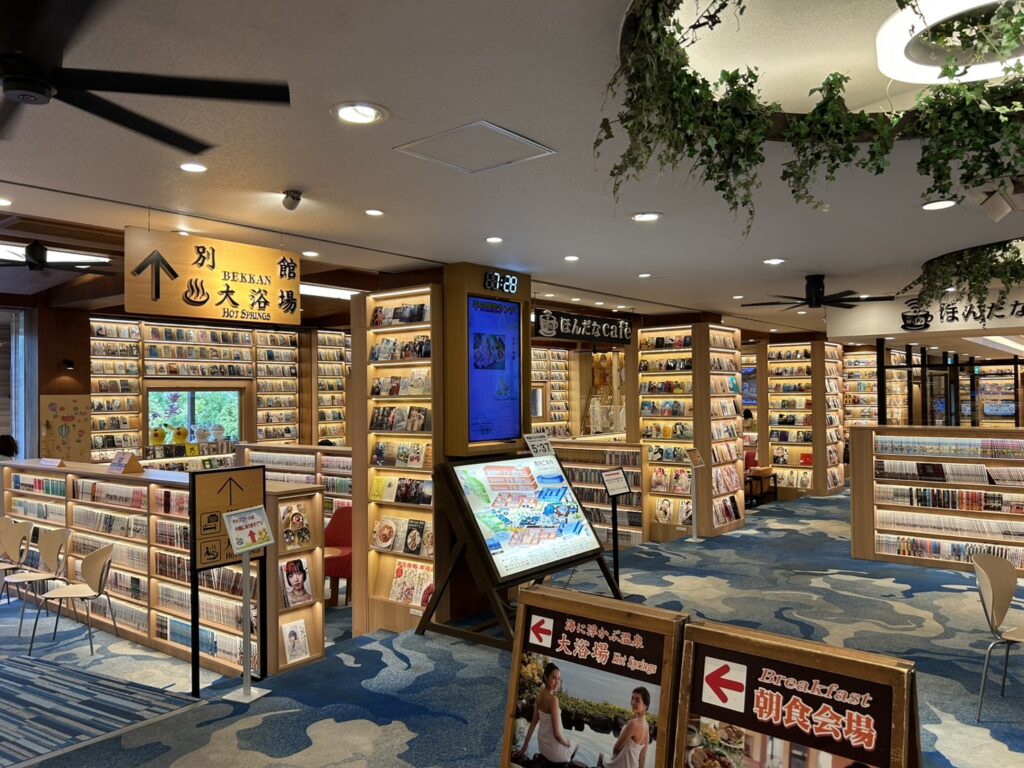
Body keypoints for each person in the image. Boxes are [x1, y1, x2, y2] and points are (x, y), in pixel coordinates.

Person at [515, 663, 578, 765]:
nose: (557, 682)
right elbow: (557, 734)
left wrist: (524, 747)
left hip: (543, 748)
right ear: (546, 677)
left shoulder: (538, 697)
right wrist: (566, 743)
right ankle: (566, 763)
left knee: (566, 742)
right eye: (553, 678)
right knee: (576, 743)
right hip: (554, 752)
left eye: (559, 679)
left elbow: (533, 723)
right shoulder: (553, 700)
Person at [598, 687, 651, 768]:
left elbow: (616, 748)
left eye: (637, 700)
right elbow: (643, 757)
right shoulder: (646, 726)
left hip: (623, 764)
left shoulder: (633, 724)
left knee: (602, 757)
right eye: (632, 698)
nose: (633, 702)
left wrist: (613, 760)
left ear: (645, 706)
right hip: (633, 765)